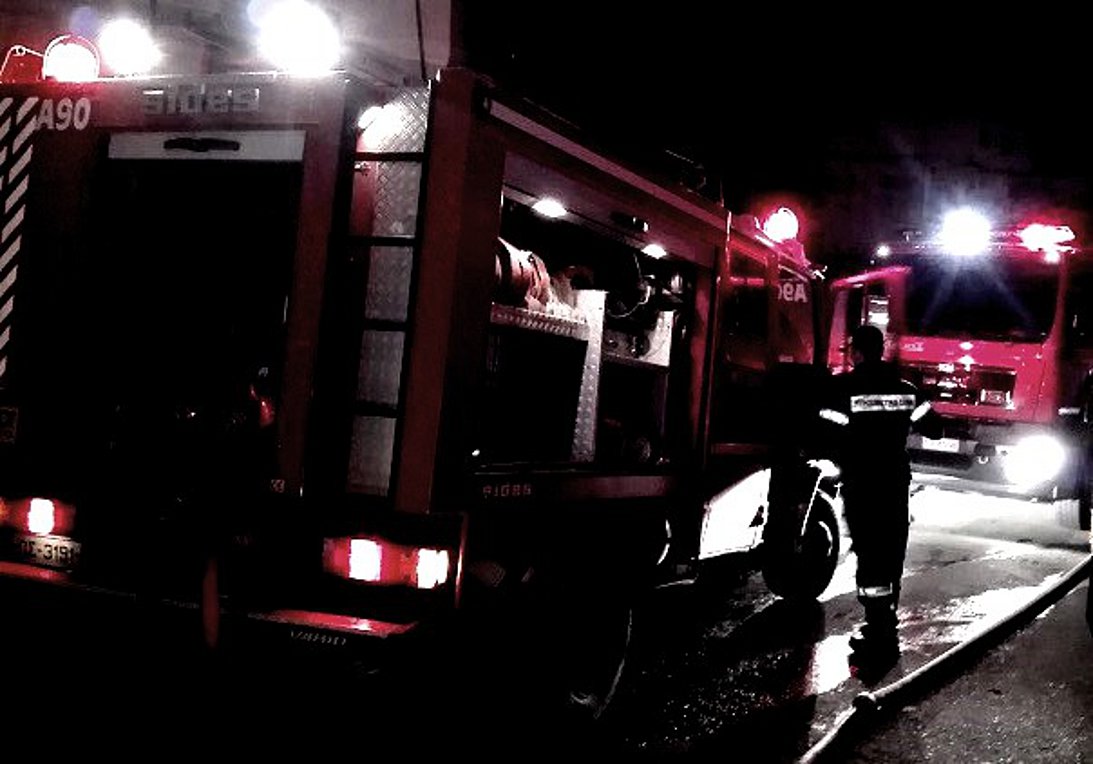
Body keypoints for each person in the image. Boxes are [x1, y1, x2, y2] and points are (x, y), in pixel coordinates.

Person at [818, 323, 941, 670]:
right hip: (894, 481)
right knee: (891, 549)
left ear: (856, 352)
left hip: (862, 481)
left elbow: (825, 431)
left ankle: (878, 626)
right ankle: (887, 620)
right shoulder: (905, 390)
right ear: (881, 350)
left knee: (870, 552)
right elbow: (936, 429)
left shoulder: (844, 388)